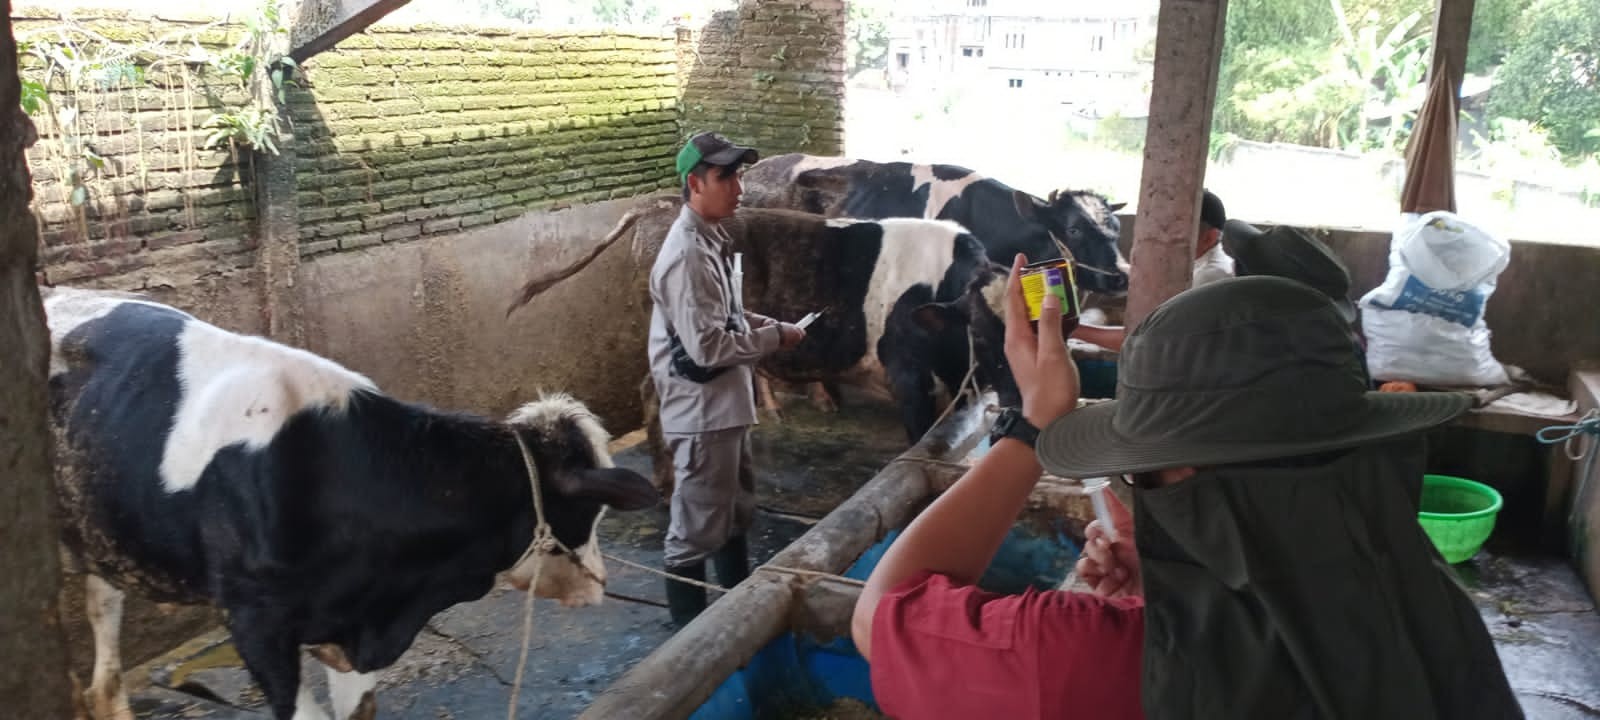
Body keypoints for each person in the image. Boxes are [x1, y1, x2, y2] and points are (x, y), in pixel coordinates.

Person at [851, 260, 1521, 718]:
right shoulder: (1429, 599)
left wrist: (1035, 427)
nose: (1139, 495)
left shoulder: (1093, 652)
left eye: (1143, 474)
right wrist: (1191, 570)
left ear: (1190, 482)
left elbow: (878, 618)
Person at [649, 131, 806, 627]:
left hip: (723, 409)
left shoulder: (710, 240)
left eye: (739, 174)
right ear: (695, 182)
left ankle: (736, 619)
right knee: (693, 530)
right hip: (702, 414)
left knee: (735, 512)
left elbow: (721, 316)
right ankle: (686, 644)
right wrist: (775, 340)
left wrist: (763, 323)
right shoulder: (688, 255)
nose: (739, 186)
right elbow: (708, 347)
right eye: (727, 176)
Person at [1071, 189, 1232, 352]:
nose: (1163, 238)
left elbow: (1151, 343)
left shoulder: (1208, 277)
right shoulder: (1194, 264)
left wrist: (1075, 330)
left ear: (1209, 237)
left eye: (1176, 232)